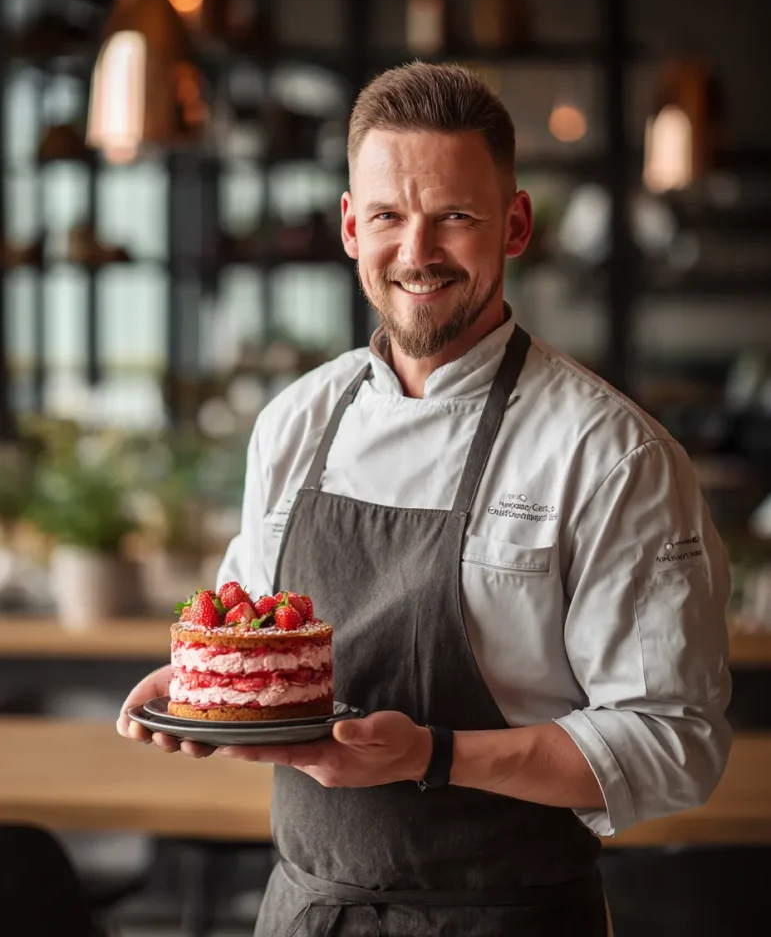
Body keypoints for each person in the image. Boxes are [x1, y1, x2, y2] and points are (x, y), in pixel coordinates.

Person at [119, 62, 732, 936]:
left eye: (454, 216)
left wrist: (433, 756)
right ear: (347, 226)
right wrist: (203, 695)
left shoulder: (608, 453)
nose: (416, 253)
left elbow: (675, 744)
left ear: (513, 225)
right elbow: (252, 638)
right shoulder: (294, 422)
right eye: (387, 217)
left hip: (508, 919)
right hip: (304, 911)